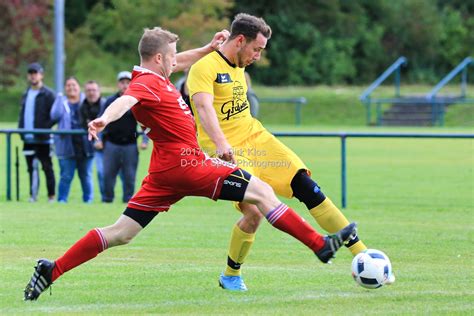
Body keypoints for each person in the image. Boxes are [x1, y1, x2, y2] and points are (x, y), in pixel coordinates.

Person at [24, 26, 356, 301]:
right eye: (170, 58)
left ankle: (51, 270)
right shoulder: (146, 84)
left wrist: (208, 48)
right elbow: (126, 101)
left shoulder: (154, 73)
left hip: (164, 171)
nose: (175, 63)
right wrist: (103, 119)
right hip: (187, 165)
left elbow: (179, 61)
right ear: (158, 59)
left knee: (121, 233)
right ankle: (320, 246)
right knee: (263, 192)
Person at [187, 13, 388, 291]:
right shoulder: (204, 68)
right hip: (225, 151)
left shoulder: (240, 71)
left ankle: (364, 255)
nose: (258, 56)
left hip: (257, 139)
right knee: (254, 213)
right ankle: (231, 275)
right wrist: (221, 144)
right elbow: (204, 109)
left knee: (306, 186)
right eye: (256, 49)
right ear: (240, 40)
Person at [101, 71, 149, 203]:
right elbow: (101, 120)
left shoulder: (136, 102)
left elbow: (145, 123)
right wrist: (99, 140)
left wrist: (145, 140)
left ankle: (128, 201)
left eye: (128, 83)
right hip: (111, 144)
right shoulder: (110, 101)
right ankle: (107, 200)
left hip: (130, 145)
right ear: (118, 84)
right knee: (108, 175)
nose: (125, 85)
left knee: (129, 176)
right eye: (122, 82)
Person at [50, 77, 95, 203]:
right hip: (66, 146)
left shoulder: (86, 101)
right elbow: (54, 115)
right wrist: (59, 97)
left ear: (79, 87)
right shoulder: (61, 101)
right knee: (66, 176)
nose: (71, 88)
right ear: (65, 88)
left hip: (85, 145)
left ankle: (88, 201)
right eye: (68, 85)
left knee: (86, 176)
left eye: (74, 85)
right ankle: (62, 200)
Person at [18, 62, 56, 202]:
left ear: (41, 75)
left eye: (36, 73)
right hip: (28, 138)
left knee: (47, 167)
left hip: (43, 139)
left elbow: (55, 115)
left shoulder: (48, 94)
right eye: (31, 73)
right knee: (30, 169)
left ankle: (51, 196)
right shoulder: (25, 94)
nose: (33, 76)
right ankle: (33, 196)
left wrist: (45, 128)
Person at [80, 80, 107, 200]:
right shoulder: (82, 107)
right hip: (89, 145)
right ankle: (88, 199)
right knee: (87, 173)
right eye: (88, 90)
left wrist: (102, 141)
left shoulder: (106, 105)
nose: (91, 93)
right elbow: (82, 125)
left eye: (94, 90)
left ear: (99, 91)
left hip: (106, 145)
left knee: (103, 173)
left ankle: (106, 198)